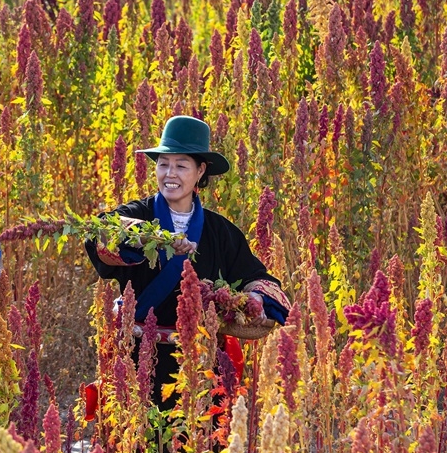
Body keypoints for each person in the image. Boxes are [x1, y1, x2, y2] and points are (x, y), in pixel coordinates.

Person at [85, 115, 292, 409]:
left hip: (200, 365)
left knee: (198, 447)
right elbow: (100, 233)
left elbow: (264, 281)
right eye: (163, 164)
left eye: (181, 165)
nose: (170, 173)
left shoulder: (221, 232)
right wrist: (149, 237)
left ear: (200, 171)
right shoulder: (138, 214)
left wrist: (254, 298)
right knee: (138, 447)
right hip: (137, 360)